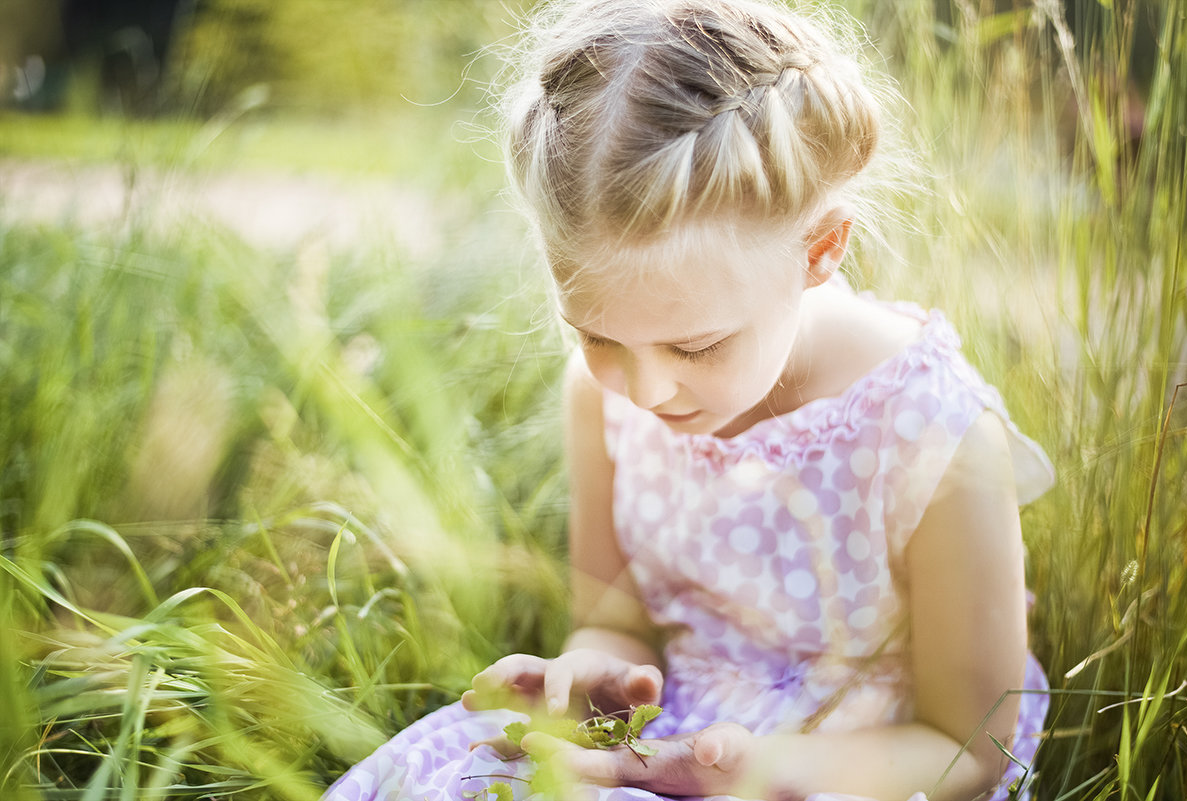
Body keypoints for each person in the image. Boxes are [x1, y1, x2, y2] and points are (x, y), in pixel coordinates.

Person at [325, 0, 1054, 799]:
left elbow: (970, 747)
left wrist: (766, 772)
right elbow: (617, 614)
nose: (644, 390)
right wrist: (590, 670)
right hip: (665, 742)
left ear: (820, 250)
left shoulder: (934, 436)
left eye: (696, 346)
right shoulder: (600, 400)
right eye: (595, 336)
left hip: (848, 768)